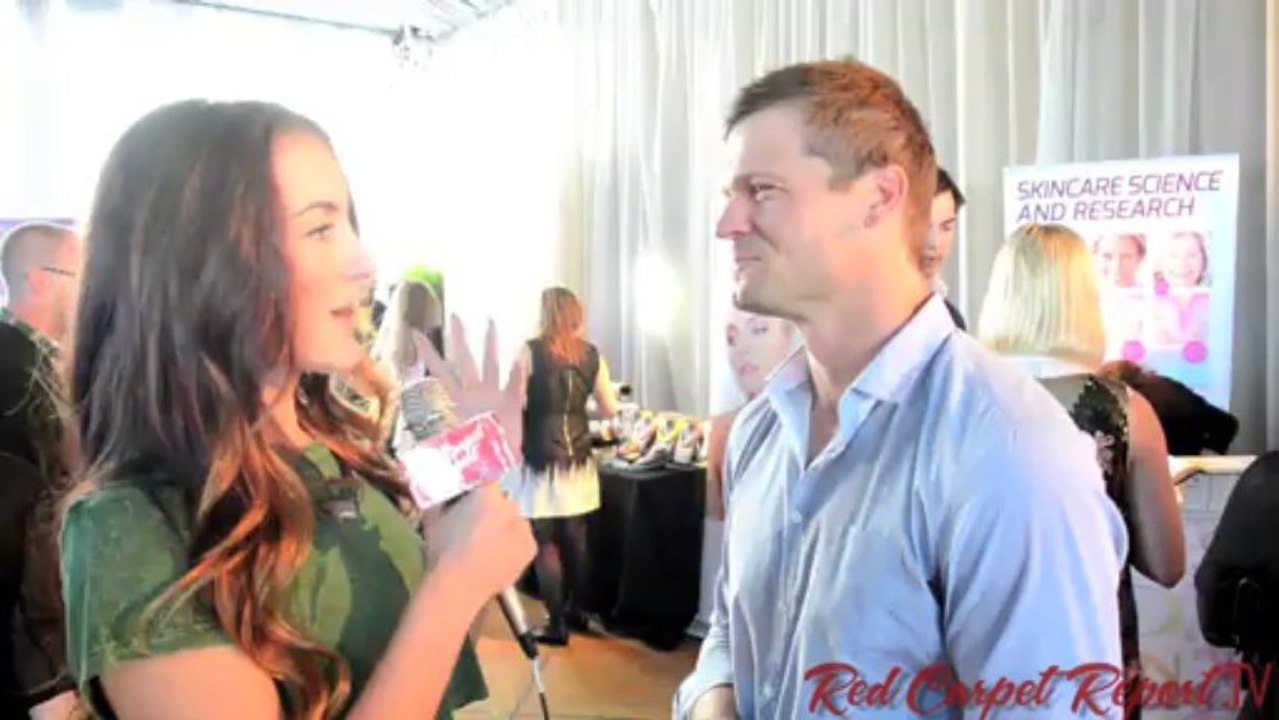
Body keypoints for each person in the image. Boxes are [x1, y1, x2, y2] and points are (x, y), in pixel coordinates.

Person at [675, 59, 1126, 719]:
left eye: (761, 190)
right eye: (728, 196)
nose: (728, 224)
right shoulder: (762, 430)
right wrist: (715, 700)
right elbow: (729, 630)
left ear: (879, 197)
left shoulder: (1009, 454)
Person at [59, 99, 535, 720]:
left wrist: (463, 545)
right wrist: (452, 587)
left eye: (350, 225)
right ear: (200, 265)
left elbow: (426, 674)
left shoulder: (339, 455)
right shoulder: (129, 530)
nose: (364, 263)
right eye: (319, 228)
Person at [977, 222, 1187, 719]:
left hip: (977, 659)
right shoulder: (1124, 411)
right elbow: (1167, 565)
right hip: (1091, 663)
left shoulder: (956, 398)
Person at [502, 287, 618, 646]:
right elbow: (610, 408)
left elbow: (513, 400)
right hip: (579, 455)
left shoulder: (531, 351)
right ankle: (578, 612)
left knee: (545, 542)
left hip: (539, 456)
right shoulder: (592, 355)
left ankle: (556, 625)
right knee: (576, 539)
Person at [0, 222, 81, 718]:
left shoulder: (44, 366)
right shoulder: (17, 373)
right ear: (41, 280)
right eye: (79, 275)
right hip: (25, 639)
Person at [925, 167, 967, 329]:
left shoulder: (952, 318)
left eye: (946, 227)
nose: (935, 242)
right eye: (925, 227)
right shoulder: (878, 314)